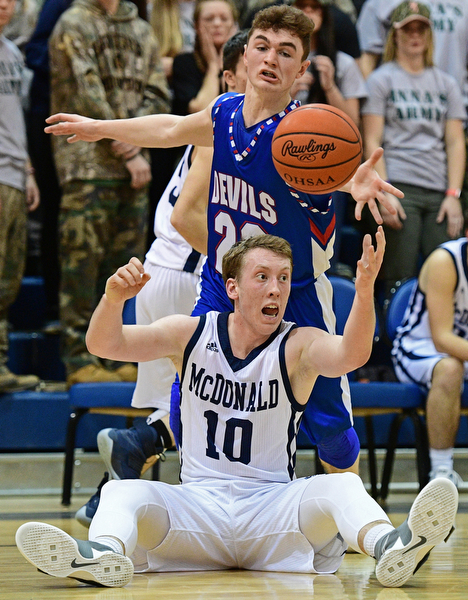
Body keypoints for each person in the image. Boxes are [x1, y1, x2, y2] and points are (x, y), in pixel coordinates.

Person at [44, 4, 404, 475]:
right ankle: (200, 501)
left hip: (291, 293)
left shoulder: (305, 136)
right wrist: (98, 128)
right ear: (246, 57)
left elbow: (335, 173)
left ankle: (361, 525)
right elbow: (170, 127)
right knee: (186, 400)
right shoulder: (224, 113)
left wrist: (348, 182)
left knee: (333, 433)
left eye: (286, 52)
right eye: (262, 46)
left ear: (300, 70)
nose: (271, 59)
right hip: (224, 285)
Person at [15, 232, 459, 589]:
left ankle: (392, 547)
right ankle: (103, 556)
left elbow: (351, 356)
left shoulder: (297, 344)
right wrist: (113, 300)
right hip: (197, 509)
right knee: (119, 493)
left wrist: (364, 293)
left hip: (273, 508)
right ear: (232, 287)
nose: (276, 288)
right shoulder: (189, 333)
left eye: (284, 278)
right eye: (262, 276)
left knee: (339, 487)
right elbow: (104, 345)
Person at [74, 29, 249, 527]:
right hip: (186, 280)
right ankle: (142, 451)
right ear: (230, 78)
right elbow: (186, 217)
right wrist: (239, 263)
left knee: (165, 404)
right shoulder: (223, 135)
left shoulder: (230, 130)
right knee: (199, 403)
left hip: (162, 276)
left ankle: (108, 496)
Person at [48, 0, 171, 385]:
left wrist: (135, 146)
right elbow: (87, 96)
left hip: (132, 170)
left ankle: (118, 353)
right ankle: (78, 358)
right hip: (86, 166)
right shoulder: (73, 22)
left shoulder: (142, 30)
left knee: (126, 269)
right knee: (81, 267)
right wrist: (131, 146)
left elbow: (158, 95)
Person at [361, 1, 466, 297]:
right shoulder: (381, 80)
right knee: (399, 280)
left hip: (438, 192)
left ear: (430, 34)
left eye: (421, 28)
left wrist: (453, 195)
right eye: (408, 29)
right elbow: (372, 140)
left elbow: (455, 142)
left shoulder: (447, 84)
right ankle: (394, 339)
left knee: (449, 279)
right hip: (399, 186)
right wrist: (384, 193)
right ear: (395, 35)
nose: (415, 35)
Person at [392, 219, 468, 485]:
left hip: (463, 352)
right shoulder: (444, 261)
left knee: (454, 365)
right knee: (449, 368)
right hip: (418, 347)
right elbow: (442, 339)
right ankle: (441, 473)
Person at [0, 0, 41, 393]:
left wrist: (28, 171)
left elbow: (14, 120)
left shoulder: (12, 53)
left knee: (8, 280)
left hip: (13, 173)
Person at [24, 0, 73, 327]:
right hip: (52, 119)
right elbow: (36, 50)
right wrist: (70, 62)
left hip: (93, 128)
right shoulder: (60, 4)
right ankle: (56, 311)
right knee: (56, 211)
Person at [171, 0, 238, 116]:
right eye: (209, 19)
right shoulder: (183, 63)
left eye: (224, 18)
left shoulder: (245, 62)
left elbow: (238, 108)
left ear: (234, 25)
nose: (217, 23)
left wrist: (227, 61)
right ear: (196, 25)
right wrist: (213, 66)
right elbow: (200, 111)